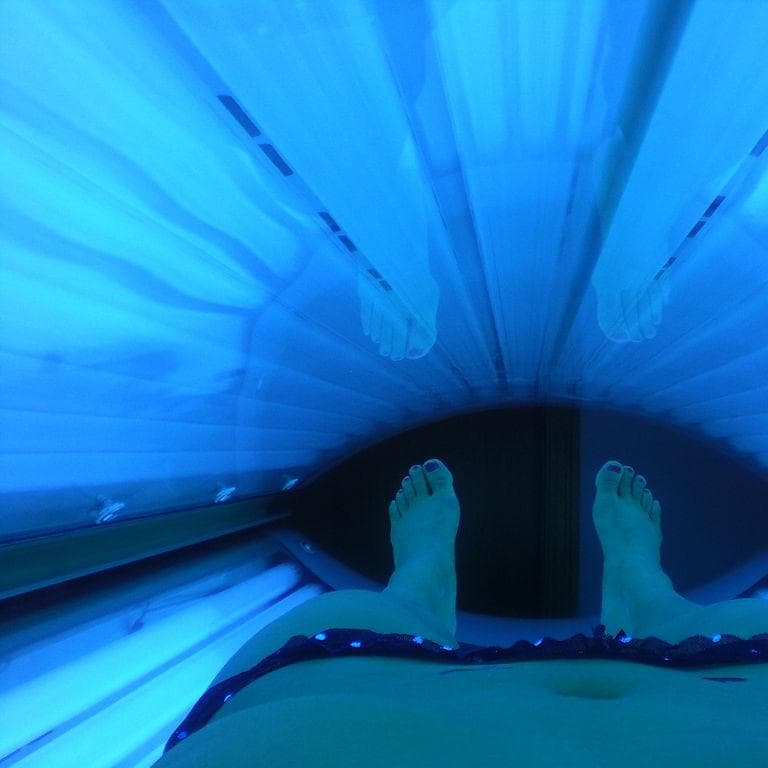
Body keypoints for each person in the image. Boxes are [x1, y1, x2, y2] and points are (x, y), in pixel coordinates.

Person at [156, 459, 768, 767]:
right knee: (706, 619)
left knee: (372, 612)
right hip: (736, 683)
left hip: (348, 705)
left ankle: (420, 591)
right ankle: (644, 594)